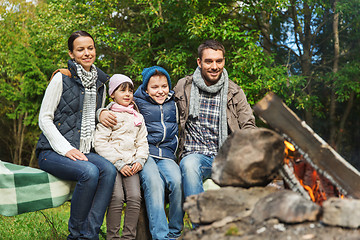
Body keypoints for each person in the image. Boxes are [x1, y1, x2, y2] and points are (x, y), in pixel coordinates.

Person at [36, 30, 117, 240]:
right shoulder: (62, 78)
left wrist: (102, 112)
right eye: (80, 49)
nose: (87, 53)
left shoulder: (100, 82)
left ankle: (89, 234)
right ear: (72, 54)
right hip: (52, 151)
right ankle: (75, 235)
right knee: (89, 172)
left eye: (90, 48)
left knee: (108, 170)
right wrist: (66, 149)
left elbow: (93, 112)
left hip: (84, 148)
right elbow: (44, 118)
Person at [99, 66, 184, 240]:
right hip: (145, 154)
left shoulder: (175, 102)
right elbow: (115, 103)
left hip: (167, 154)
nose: (160, 91)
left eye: (164, 86)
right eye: (154, 87)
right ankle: (161, 235)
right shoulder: (136, 102)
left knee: (177, 182)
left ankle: (174, 232)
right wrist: (101, 112)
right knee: (154, 183)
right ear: (145, 88)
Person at [174, 39, 256, 201]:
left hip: (225, 156)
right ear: (199, 62)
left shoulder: (234, 92)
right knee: (190, 166)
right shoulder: (184, 86)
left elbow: (248, 126)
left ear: (224, 61)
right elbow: (157, 100)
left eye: (219, 61)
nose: (214, 66)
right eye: (209, 61)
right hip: (194, 155)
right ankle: (201, 225)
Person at [94, 74, 149, 240]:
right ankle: (112, 236)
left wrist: (140, 159)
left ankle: (128, 237)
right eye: (122, 90)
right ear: (112, 94)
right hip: (113, 165)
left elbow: (142, 141)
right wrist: (117, 162)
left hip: (132, 164)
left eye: (130, 90)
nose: (127, 94)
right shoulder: (109, 115)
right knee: (116, 197)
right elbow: (100, 143)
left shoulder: (137, 117)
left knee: (134, 197)